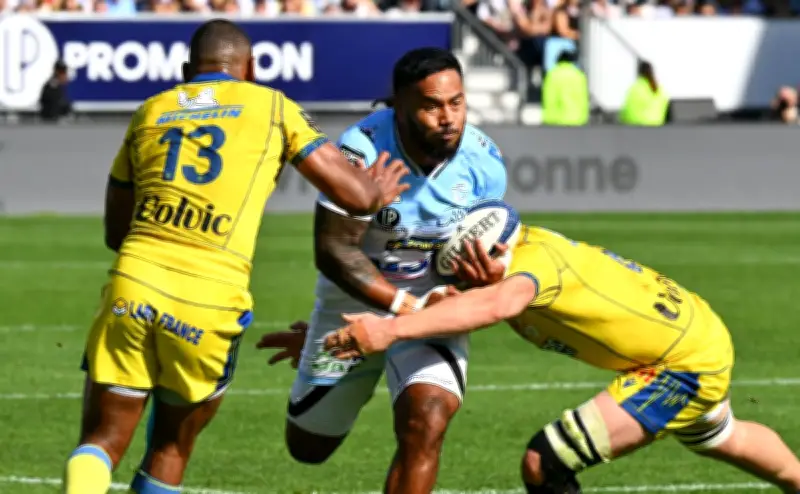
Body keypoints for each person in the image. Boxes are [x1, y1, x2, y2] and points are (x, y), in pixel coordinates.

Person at [62, 19, 409, 494]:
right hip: (209, 298)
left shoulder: (151, 110)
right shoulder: (271, 105)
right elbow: (354, 195)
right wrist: (376, 192)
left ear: (187, 70)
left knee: (101, 441)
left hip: (135, 282)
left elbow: (115, 231)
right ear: (251, 69)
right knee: (170, 447)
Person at [325, 223, 800, 494]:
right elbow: (444, 308)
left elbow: (497, 305)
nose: (460, 283)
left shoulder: (527, 272)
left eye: (463, 272)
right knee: (723, 435)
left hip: (683, 364)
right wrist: (342, 333)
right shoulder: (513, 263)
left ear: (491, 254)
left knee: (544, 461)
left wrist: (387, 332)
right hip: (696, 336)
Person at [257, 47, 507, 494]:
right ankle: (344, 354)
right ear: (400, 105)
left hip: (431, 305)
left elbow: (481, 255)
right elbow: (333, 251)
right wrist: (394, 311)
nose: (448, 118)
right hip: (351, 301)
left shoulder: (485, 161)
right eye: (431, 106)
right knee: (308, 446)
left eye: (456, 102)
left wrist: (483, 277)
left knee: (425, 421)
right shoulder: (360, 150)